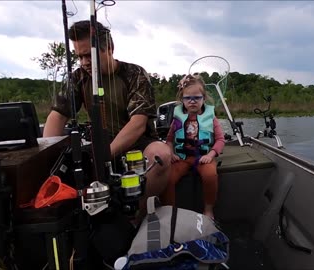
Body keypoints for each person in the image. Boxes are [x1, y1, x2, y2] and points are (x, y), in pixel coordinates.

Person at [42, 20, 171, 264]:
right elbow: (57, 115)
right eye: (79, 57)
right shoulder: (79, 78)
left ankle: (138, 219)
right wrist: (45, 158)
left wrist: (105, 156)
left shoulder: (134, 74)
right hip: (100, 143)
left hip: (138, 142)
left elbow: (138, 123)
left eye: (88, 55)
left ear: (109, 47)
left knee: (161, 156)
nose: (83, 63)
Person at [161, 74, 225, 219]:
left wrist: (210, 155)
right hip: (182, 158)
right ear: (182, 100)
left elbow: (220, 140)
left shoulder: (211, 118)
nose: (192, 101)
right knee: (167, 178)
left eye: (197, 98)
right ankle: (169, 212)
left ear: (204, 98)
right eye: (188, 98)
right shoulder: (177, 118)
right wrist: (171, 153)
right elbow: (169, 139)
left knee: (210, 176)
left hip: (203, 157)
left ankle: (208, 210)